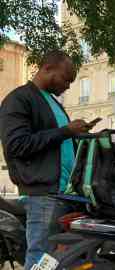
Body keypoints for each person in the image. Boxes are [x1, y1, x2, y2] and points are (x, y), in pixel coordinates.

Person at [0, 50, 98, 270]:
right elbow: (17, 145)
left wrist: (79, 134)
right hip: (44, 194)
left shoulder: (53, 103)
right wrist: (66, 131)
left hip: (64, 193)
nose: (68, 85)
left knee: (57, 261)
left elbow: (58, 143)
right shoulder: (19, 99)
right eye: (66, 78)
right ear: (47, 69)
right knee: (40, 257)